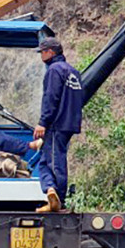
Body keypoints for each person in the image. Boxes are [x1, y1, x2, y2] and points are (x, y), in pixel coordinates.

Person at [33, 38, 83, 212]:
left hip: (57, 123)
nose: (41, 55)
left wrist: (43, 122)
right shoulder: (73, 72)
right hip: (69, 122)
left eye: (43, 52)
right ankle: (50, 191)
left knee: (55, 161)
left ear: (51, 52)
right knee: (45, 161)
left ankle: (59, 199)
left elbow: (51, 98)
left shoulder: (54, 70)